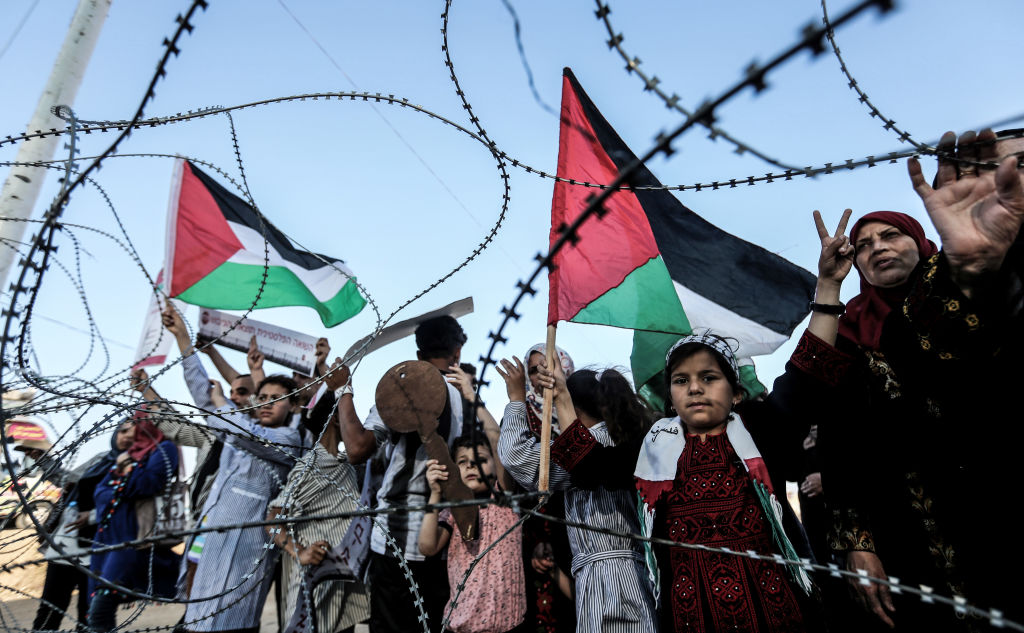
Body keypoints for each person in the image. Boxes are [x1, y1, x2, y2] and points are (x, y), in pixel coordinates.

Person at [805, 128, 1024, 630]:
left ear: (920, 240)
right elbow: (839, 440)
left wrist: (968, 270)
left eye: (890, 235)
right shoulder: (846, 332)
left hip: (995, 501)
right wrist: (858, 542)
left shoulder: (971, 281)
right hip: (903, 523)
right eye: (863, 245)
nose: (877, 248)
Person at [633, 331, 820, 633]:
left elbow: (804, 376)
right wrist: (560, 395)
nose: (694, 388)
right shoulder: (653, 449)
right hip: (691, 618)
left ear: (735, 393)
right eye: (681, 380)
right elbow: (588, 467)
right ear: (670, 397)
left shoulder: (760, 430)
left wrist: (826, 294)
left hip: (776, 612)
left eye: (708, 377)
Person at [497, 357, 656, 633]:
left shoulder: (583, 449)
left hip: (609, 582)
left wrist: (515, 400)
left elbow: (516, 456)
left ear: (570, 405)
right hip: (629, 573)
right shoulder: (620, 441)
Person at [335, 314, 467, 633]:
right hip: (438, 535)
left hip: (396, 539)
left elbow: (356, 448)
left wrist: (342, 389)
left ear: (419, 355)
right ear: (457, 353)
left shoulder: (406, 387)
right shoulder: (463, 398)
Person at [266, 358, 369, 633]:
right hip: (312, 588)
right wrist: (297, 551)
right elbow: (273, 516)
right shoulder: (312, 464)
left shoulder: (344, 464)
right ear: (336, 418)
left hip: (337, 584)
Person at [496, 344, 576, 633]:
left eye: (548, 365)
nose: (541, 374)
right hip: (532, 526)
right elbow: (506, 482)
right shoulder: (520, 416)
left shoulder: (580, 411)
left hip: (577, 526)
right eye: (533, 370)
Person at [418, 436, 526, 633]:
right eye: (462, 461)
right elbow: (427, 547)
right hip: (462, 625)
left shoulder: (506, 500)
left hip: (509, 625)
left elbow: (497, 438)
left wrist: (476, 405)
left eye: (481, 460)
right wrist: (435, 494)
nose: (471, 465)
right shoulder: (452, 510)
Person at [87, 417, 180, 633]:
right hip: (106, 539)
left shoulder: (163, 449)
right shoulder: (126, 456)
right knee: (97, 604)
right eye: (122, 430)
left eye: (133, 428)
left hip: (134, 538)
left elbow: (147, 484)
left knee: (102, 604)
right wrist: (122, 486)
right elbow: (99, 494)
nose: (127, 435)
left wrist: (126, 472)